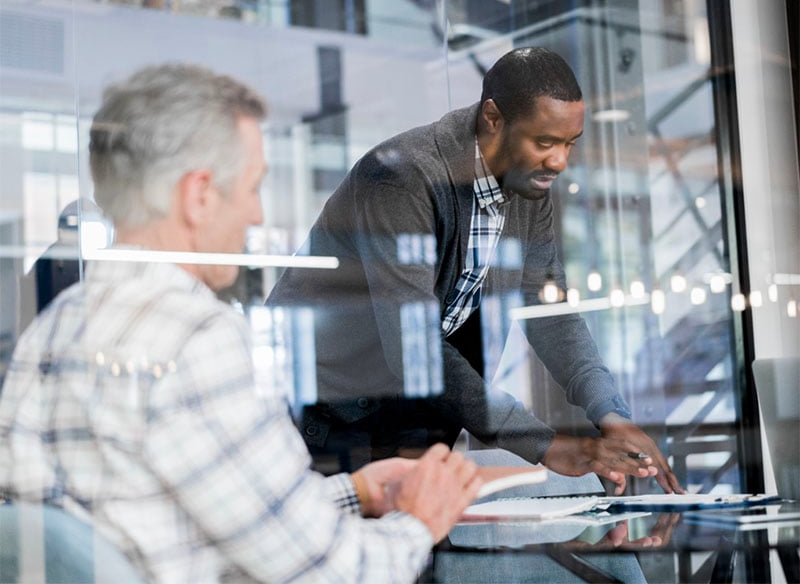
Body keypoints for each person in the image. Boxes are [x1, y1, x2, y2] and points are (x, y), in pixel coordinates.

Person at [0, 64, 483, 583]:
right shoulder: (196, 338)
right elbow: (335, 573)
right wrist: (419, 521)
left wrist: (356, 492)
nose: (256, 215)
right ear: (199, 195)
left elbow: (163, 519)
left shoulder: (52, 330)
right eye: (252, 188)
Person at [268, 47, 684, 495]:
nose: (559, 161)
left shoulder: (527, 190)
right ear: (492, 117)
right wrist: (545, 444)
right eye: (544, 142)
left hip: (409, 414)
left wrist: (610, 413)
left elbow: (551, 315)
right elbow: (413, 347)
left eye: (569, 143)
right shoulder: (402, 177)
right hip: (322, 414)